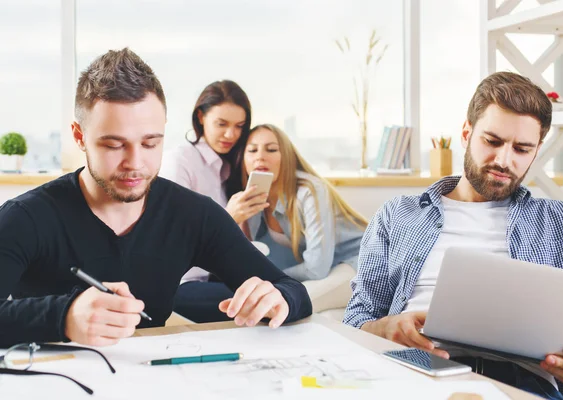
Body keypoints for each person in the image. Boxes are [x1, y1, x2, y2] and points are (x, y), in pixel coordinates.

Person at [0, 48, 312, 348]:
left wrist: (278, 299)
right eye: (114, 145)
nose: (135, 163)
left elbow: (293, 291)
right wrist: (63, 316)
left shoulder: (193, 215)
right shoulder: (25, 217)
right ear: (80, 136)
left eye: (150, 143)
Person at [343, 71, 563, 400]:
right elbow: (357, 316)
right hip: (416, 368)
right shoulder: (398, 215)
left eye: (522, 149)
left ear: (535, 153)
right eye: (492, 142)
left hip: (524, 381)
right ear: (466, 132)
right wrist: (384, 327)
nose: (503, 160)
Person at [173, 124, 367, 322]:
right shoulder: (254, 202)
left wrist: (273, 279)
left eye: (271, 149)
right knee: (299, 309)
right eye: (252, 150)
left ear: (287, 156)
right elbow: (253, 258)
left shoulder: (309, 191)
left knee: (285, 301)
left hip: (358, 262)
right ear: (243, 159)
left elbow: (316, 269)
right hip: (325, 272)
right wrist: (235, 220)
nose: (260, 156)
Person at [160, 80, 269, 322]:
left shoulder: (227, 167)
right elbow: (172, 242)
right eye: (222, 124)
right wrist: (229, 218)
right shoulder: (180, 162)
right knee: (263, 300)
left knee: (271, 289)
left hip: (213, 276)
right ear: (200, 117)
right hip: (181, 283)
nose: (231, 134)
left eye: (239, 126)